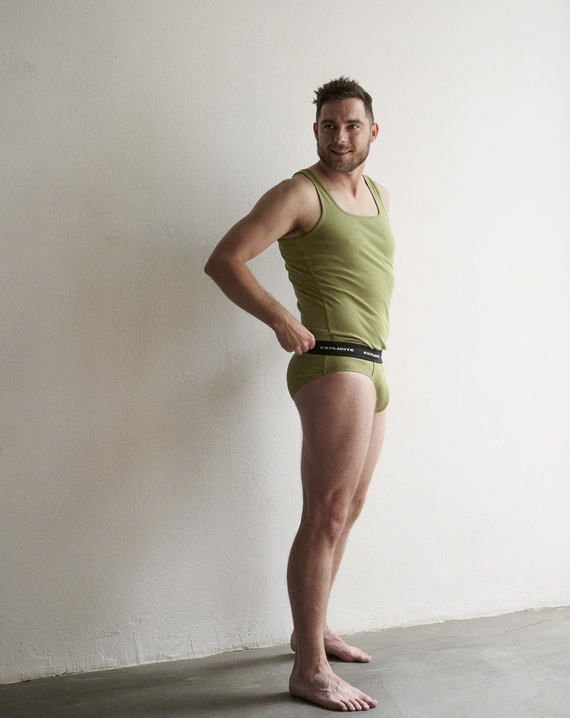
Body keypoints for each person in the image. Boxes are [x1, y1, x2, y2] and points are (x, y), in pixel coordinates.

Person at [204, 76, 395, 712]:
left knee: (350, 507)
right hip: (333, 362)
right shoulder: (299, 193)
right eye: (328, 126)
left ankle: (311, 631)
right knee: (326, 512)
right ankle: (308, 669)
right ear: (315, 130)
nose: (340, 136)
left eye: (351, 125)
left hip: (373, 365)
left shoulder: (377, 194)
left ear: (373, 130)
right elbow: (225, 259)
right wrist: (282, 319)